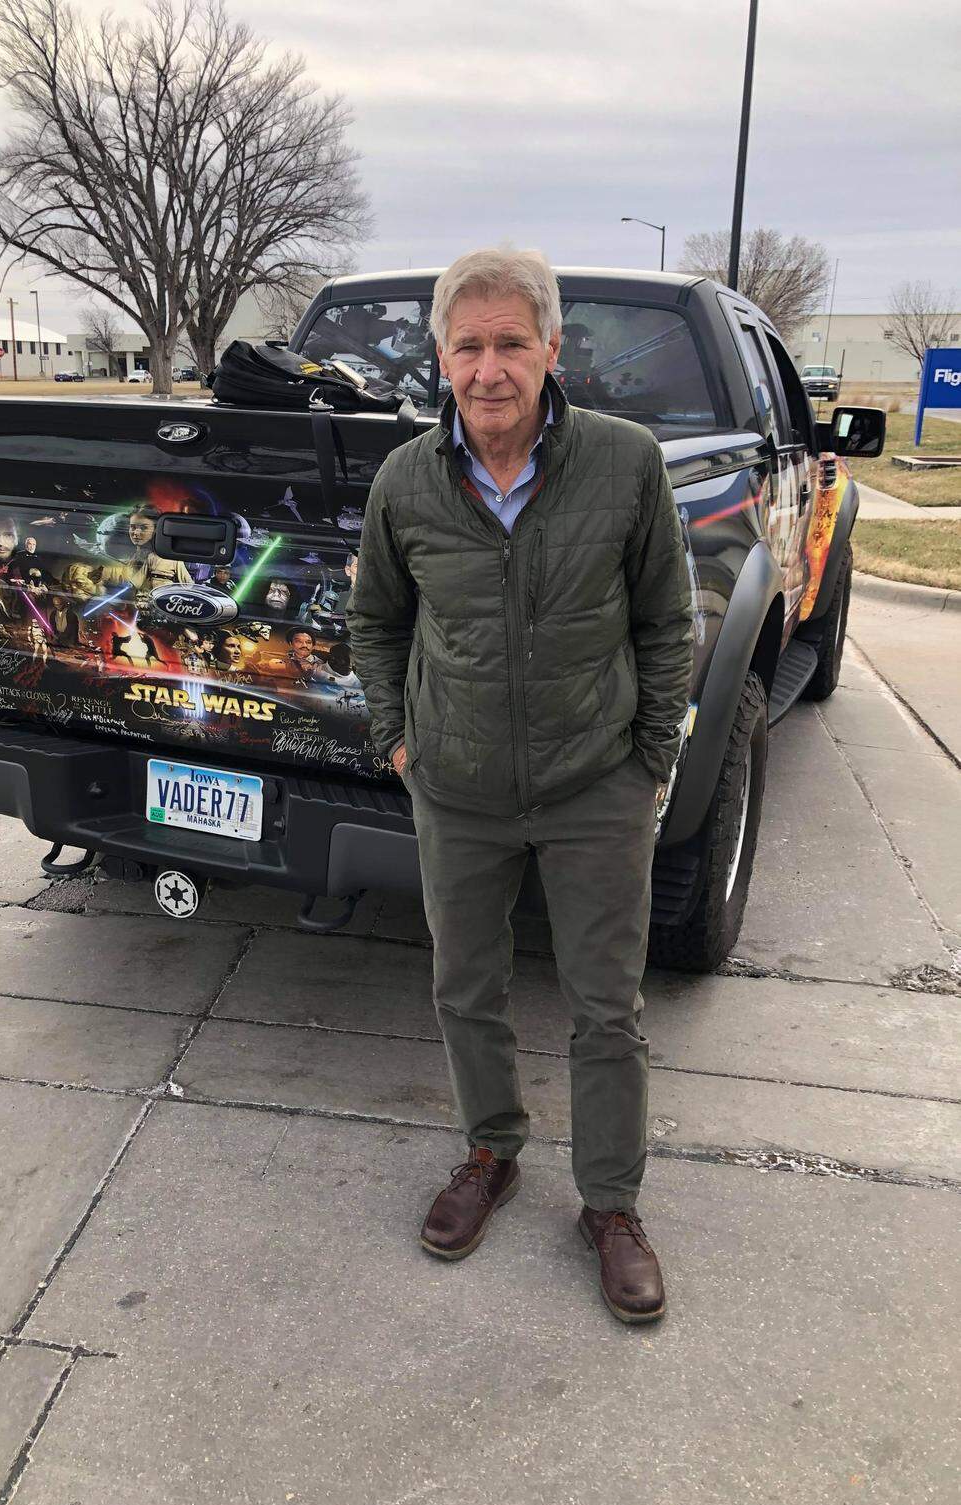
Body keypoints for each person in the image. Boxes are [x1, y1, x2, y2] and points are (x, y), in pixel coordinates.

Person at [347, 247, 693, 1325]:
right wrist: (400, 741)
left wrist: (649, 761)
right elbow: (375, 622)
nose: (489, 367)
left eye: (510, 342)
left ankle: (612, 1205)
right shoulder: (406, 480)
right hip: (456, 784)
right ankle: (491, 1150)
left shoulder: (626, 464)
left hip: (597, 782)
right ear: (440, 357)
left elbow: (666, 622)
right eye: (468, 344)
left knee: (606, 1006)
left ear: (551, 348)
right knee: (467, 986)